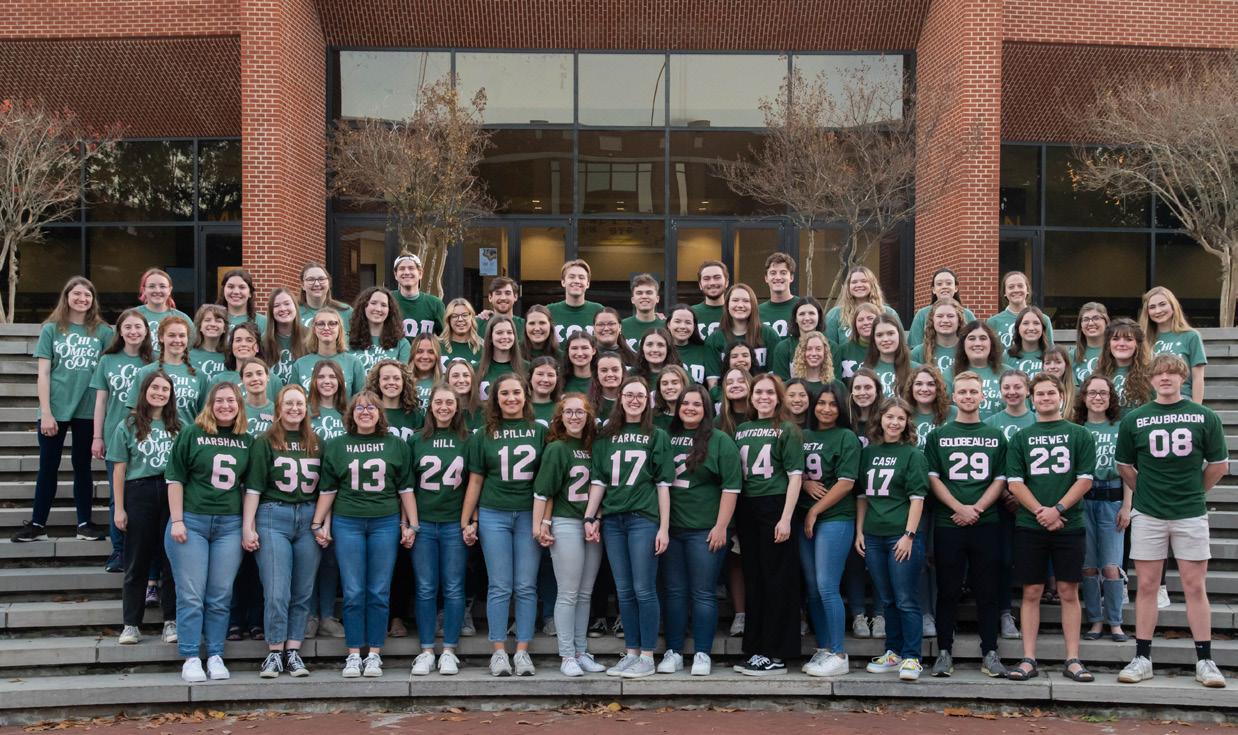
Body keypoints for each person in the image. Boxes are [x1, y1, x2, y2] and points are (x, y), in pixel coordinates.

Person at [1115, 354, 1227, 688]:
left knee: (1195, 586)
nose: (1165, 378)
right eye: (1159, 373)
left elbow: (1219, 465)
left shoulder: (1204, 416)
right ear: (1150, 379)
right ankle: (1142, 657)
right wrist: (1146, 492)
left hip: (1189, 512)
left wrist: (1194, 492)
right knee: (1147, 586)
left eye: (1172, 373)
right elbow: (1125, 466)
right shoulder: (1135, 419)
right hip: (1149, 513)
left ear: (1183, 378)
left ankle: (1205, 660)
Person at [312, 391, 417, 678]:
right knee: (354, 590)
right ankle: (353, 653)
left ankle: (374, 654)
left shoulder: (396, 445)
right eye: (359, 408)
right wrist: (318, 522)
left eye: (371, 407)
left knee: (379, 590)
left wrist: (412, 524)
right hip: (348, 522)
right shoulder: (337, 445)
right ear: (351, 414)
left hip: (385, 521)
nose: (366, 412)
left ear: (380, 413)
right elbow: (329, 489)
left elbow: (406, 489)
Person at [1004, 373, 1096, 683]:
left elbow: (1085, 479)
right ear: (1032, 399)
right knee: (1031, 591)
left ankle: (1073, 659)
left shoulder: (1079, 434)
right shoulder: (1021, 437)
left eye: (1050, 393)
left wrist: (1057, 510)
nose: (1045, 398)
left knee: (1068, 590)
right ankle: (1029, 658)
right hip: (1030, 525)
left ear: (1061, 396)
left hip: (1069, 523)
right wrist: (1040, 512)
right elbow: (1015, 482)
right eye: (1040, 394)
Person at [583, 376, 675, 679]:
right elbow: (599, 482)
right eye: (629, 395)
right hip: (613, 520)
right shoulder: (605, 436)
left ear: (647, 401)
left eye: (640, 396)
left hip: (642, 519)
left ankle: (647, 655)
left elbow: (663, 485)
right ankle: (632, 651)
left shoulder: (656, 435)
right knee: (623, 590)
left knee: (643, 588)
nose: (634, 400)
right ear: (620, 399)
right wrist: (590, 516)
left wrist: (664, 527)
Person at [13, 277, 115, 544]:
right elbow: (44, 373)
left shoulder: (103, 332)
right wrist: (46, 412)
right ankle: (38, 524)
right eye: (77, 294)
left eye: (87, 295)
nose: (82, 299)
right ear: (67, 297)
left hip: (87, 408)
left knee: (82, 466)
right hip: (55, 408)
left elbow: (109, 370)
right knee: (48, 466)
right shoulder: (52, 329)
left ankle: (84, 524)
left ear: (93, 300)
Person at [924, 371, 1009, 679]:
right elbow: (933, 478)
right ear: (953, 396)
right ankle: (944, 651)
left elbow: (1000, 478)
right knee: (947, 589)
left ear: (982, 396)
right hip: (949, 522)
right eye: (963, 392)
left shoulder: (995, 435)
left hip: (986, 522)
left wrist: (977, 508)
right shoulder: (938, 435)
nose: (968, 396)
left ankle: (990, 651)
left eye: (974, 391)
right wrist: (959, 508)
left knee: (987, 590)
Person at [164, 382, 252, 682]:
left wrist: (247, 526)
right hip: (192, 521)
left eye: (231, 401)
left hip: (229, 525)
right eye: (219, 400)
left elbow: (249, 487)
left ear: (239, 405)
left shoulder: (247, 440)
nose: (225, 405)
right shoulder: (192, 433)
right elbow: (174, 478)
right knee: (191, 594)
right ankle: (191, 656)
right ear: (210, 404)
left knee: (220, 594)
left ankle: (215, 654)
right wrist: (177, 520)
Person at [461, 374, 546, 677]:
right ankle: (498, 651)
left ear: (526, 395)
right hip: (493, 514)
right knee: (499, 585)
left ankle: (522, 651)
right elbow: (475, 481)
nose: (511, 398)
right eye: (504, 393)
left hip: (528, 514)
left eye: (516, 393)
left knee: (525, 585)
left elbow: (547, 481)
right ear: (495, 399)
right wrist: (467, 519)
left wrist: (544, 519)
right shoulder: (484, 434)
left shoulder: (540, 431)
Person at [659, 384, 742, 676]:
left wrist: (721, 526)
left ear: (706, 408)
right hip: (672, 528)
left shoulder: (719, 440)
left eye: (697, 404)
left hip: (705, 529)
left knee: (703, 592)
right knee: (674, 592)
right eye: (685, 403)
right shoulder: (665, 436)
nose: (690, 408)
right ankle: (673, 651)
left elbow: (731, 486)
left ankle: (702, 653)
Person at [244, 384, 323, 678]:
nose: (294, 408)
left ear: (306, 408)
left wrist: (322, 522)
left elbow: (327, 489)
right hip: (273, 515)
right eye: (288, 403)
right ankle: (275, 651)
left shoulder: (317, 442)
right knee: (277, 590)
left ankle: (293, 651)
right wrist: (248, 526)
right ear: (278, 408)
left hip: (309, 516)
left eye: (299, 403)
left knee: (302, 591)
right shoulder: (265, 442)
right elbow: (253, 488)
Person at [732, 374, 805, 676]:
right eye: (758, 392)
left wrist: (786, 517)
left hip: (775, 505)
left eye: (769, 393)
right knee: (755, 579)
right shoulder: (742, 430)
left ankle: (776, 653)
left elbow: (795, 476)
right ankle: (756, 648)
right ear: (751, 397)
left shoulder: (787, 429)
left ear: (779, 398)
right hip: (748, 507)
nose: (763, 397)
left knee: (777, 580)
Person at [532, 393, 608, 677]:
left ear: (589, 416)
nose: (574, 417)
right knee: (568, 593)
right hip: (566, 522)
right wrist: (539, 524)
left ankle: (580, 651)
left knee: (585, 593)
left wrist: (597, 518)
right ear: (560, 417)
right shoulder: (556, 448)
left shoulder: (595, 447)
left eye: (580, 412)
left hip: (591, 523)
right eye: (569, 412)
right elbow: (543, 491)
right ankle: (566, 655)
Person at [856, 398, 929, 682]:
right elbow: (862, 497)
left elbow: (917, 499)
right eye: (890, 417)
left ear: (907, 422)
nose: (894, 422)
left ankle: (912, 656)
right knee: (886, 599)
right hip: (874, 536)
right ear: (880, 420)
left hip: (901, 536)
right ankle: (893, 652)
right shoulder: (868, 453)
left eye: (900, 418)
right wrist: (860, 531)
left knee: (905, 599)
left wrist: (909, 535)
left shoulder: (913, 455)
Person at [109, 370, 179, 645]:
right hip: (139, 491)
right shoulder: (127, 424)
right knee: (136, 560)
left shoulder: (178, 426)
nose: (159, 393)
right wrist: (119, 508)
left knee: (171, 560)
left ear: (171, 395)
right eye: (155, 388)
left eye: (165, 389)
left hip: (171, 492)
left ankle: (170, 621)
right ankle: (131, 624)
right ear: (144, 391)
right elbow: (119, 469)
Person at [409, 383, 471, 676]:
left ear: (457, 407)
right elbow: (405, 486)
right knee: (425, 587)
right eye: (439, 402)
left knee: (454, 587)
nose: (444, 407)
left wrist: (471, 521)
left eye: (449, 402)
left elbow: (475, 483)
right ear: (430, 406)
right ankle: (426, 650)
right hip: (423, 523)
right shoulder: (416, 440)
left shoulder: (467, 440)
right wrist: (408, 523)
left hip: (453, 523)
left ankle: (449, 650)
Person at [800, 383, 861, 678]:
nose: (826, 408)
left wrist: (815, 509)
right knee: (813, 587)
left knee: (826, 584)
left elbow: (846, 483)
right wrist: (804, 483)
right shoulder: (802, 435)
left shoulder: (847, 437)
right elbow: (791, 470)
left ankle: (839, 652)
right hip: (804, 518)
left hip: (835, 517)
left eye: (833, 404)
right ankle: (824, 648)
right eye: (821, 403)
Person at [90, 308, 153, 570]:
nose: (133, 331)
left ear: (146, 331)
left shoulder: (154, 361)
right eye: (128, 327)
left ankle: (144, 554)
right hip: (115, 435)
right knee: (118, 496)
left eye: (138, 327)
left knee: (143, 500)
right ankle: (119, 551)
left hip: (147, 438)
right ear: (120, 331)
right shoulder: (107, 360)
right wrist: (97, 436)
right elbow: (100, 401)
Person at [1074, 374, 1129, 644]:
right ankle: (1095, 620)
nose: (1098, 397)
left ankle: (1115, 622)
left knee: (1110, 566)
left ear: (1111, 397)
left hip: (1112, 500)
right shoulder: (1076, 429)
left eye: (1103, 393)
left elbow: (1128, 469)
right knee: (1088, 566)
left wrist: (1127, 506)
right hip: (1083, 501)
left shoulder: (1120, 428)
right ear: (1084, 397)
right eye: (1092, 393)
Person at [1140, 286, 1207, 404]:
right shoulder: (1143, 339)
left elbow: (1198, 377)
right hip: (1151, 402)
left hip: (1182, 399)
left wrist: (1196, 409)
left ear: (1173, 306)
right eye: (1152, 307)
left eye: (1162, 304)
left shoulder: (1191, 336)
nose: (1158, 311)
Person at [705, 284, 780, 374]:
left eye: (746, 301)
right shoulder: (714, 339)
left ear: (753, 305)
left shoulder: (769, 334)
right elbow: (713, 380)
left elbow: (774, 377)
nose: (740, 305)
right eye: (735, 300)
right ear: (727, 305)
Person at [290, 308, 366, 396]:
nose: (326, 328)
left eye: (332, 323)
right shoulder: (300, 364)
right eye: (321, 324)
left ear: (339, 329)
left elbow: (361, 399)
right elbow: (293, 398)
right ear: (314, 329)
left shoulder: (354, 363)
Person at [825, 266, 902, 345]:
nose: (859, 285)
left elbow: (901, 344)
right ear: (848, 286)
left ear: (872, 285)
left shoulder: (888, 313)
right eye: (854, 282)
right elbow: (829, 346)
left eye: (864, 281)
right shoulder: (835, 315)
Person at [346, 286, 410, 375]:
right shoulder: (346, 340)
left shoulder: (402, 344)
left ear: (390, 310)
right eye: (373, 303)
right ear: (364, 306)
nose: (378, 309)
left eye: (383, 305)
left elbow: (404, 377)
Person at [907, 268, 978, 349]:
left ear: (956, 288)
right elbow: (914, 347)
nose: (944, 287)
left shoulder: (968, 315)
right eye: (939, 284)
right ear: (933, 289)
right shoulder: (922, 315)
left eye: (949, 283)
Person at [211, 322, 282, 401]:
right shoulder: (219, 380)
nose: (243, 344)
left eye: (249, 340)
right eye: (238, 340)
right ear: (232, 346)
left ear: (257, 347)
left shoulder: (274, 381)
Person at [1098, 317, 1153, 417]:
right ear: (1108, 344)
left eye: (1129, 339)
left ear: (1137, 344)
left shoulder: (1151, 374)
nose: (1121, 344)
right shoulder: (1098, 375)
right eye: (1115, 339)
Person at [986, 271, 1053, 350]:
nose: (1016, 290)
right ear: (1005, 292)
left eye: (1020, 286)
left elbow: (1050, 351)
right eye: (1011, 287)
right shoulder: (992, 322)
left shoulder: (1043, 319)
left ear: (1027, 290)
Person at [953, 320, 1004, 420]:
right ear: (963, 344)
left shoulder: (1006, 373)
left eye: (983, 338)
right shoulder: (949, 373)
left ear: (991, 343)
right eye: (971, 338)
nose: (977, 343)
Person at [135, 268, 193, 355]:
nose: (157, 290)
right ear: (144, 290)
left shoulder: (182, 318)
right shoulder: (132, 316)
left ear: (169, 290)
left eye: (162, 286)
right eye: (151, 286)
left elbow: (192, 349)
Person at [547, 260, 605, 342]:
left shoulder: (599, 310)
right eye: (571, 277)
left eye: (581, 277)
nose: (577, 281)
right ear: (563, 282)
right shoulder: (549, 311)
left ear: (588, 284)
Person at [392, 252, 446, 338]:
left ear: (420, 273)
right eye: (402, 269)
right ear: (395, 275)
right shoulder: (387, 300)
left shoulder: (435, 304)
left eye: (411, 268)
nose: (406, 272)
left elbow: (446, 338)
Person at [262, 288, 307, 388]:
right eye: (276, 305)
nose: (282, 308)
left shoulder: (309, 337)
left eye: (287, 304)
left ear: (295, 307)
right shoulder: (263, 342)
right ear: (271, 311)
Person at [368, 359, 423, 441]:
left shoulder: (415, 416)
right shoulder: (369, 413)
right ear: (378, 383)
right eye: (385, 378)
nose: (391, 382)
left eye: (396, 378)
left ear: (404, 382)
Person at [772, 297, 825, 380]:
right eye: (802, 314)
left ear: (819, 317)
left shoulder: (831, 346)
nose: (807, 318)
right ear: (795, 319)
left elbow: (834, 382)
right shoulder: (783, 348)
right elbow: (781, 383)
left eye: (811, 313)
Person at [910, 297, 964, 377]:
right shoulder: (918, 353)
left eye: (950, 316)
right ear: (932, 320)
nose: (945, 320)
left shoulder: (967, 351)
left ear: (959, 320)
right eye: (939, 316)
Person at [905, 365, 955, 450]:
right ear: (911, 388)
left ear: (938, 388)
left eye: (931, 384)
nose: (924, 389)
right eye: (918, 384)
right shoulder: (904, 414)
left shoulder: (954, 413)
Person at [864, 315, 916, 398]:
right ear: (874, 339)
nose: (885, 339)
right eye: (879, 335)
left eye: (890, 333)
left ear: (899, 335)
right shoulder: (865, 372)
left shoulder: (916, 370)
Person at [477, 315, 526, 401]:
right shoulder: (476, 369)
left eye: (509, 332)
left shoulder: (526, 368)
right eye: (499, 333)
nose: (505, 336)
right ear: (490, 337)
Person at [298, 263, 353, 331]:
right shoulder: (294, 312)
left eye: (321, 279)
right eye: (311, 279)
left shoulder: (346, 312)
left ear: (329, 283)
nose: (317, 284)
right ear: (302, 285)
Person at [834, 303, 881, 382]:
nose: (865, 323)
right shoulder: (842, 351)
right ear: (855, 325)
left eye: (870, 318)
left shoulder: (885, 350)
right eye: (860, 320)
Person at [984, 369, 1035, 440]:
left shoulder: (1038, 421)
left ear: (1028, 390)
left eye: (1017, 387)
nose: (1012, 392)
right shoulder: (989, 424)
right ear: (1000, 391)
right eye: (1006, 388)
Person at [760, 253, 798, 338]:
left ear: (791, 277)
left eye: (783, 273)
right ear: (766, 278)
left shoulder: (802, 307)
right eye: (773, 273)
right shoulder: (757, 312)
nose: (778, 277)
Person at [622, 273, 665, 349]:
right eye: (639, 293)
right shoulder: (621, 327)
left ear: (657, 298)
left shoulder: (667, 327)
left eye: (649, 293)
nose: (644, 296)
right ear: (632, 300)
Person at [308, 361, 348, 442]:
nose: (327, 381)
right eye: (321, 377)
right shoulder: (305, 411)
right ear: (314, 381)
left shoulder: (350, 413)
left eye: (332, 377)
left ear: (339, 381)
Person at [218, 268, 267, 333]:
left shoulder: (263, 322)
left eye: (242, 287)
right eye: (231, 287)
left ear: (250, 293)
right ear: (223, 291)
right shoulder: (213, 320)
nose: (236, 292)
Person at [1004, 306, 1049, 376]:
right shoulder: (1006, 357)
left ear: (1043, 328)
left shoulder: (1050, 356)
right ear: (1018, 328)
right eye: (1025, 323)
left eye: (1036, 323)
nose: (1031, 328)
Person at [189, 304, 228, 383]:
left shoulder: (231, 357)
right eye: (207, 320)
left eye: (218, 321)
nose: (212, 324)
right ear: (200, 326)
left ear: (224, 328)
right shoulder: (188, 356)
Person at [1072, 302, 1109, 386]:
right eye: (1086, 319)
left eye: (1096, 318)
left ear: (1106, 322)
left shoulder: (1116, 353)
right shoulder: (1072, 355)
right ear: (1080, 325)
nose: (1091, 323)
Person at [440, 298, 484, 368]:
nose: (460, 319)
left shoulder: (483, 347)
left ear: (471, 317)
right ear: (448, 319)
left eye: (465, 315)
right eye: (454, 316)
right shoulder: (437, 346)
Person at [692, 261, 729, 340]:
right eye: (706, 279)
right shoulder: (691, 313)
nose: (712, 283)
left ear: (726, 282)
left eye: (717, 277)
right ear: (700, 285)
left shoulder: (737, 312)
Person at [239, 358, 276, 434]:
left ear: (268, 377)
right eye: (248, 375)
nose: (255, 379)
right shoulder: (237, 410)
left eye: (259, 374)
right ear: (242, 380)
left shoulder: (278, 411)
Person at [445, 359, 484, 432]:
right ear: (448, 381)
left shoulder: (485, 413)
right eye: (455, 376)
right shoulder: (442, 413)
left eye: (466, 375)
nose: (461, 380)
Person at [716, 367, 754, 437]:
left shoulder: (761, 416)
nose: (735, 385)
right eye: (729, 383)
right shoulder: (717, 422)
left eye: (741, 381)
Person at [588, 352, 626, 421]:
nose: (610, 374)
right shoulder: (586, 404)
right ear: (597, 374)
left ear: (622, 372)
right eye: (604, 370)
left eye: (615, 370)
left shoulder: (632, 402)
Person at [847, 368, 881, 443]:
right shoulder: (844, 420)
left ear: (877, 391)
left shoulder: (885, 421)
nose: (862, 392)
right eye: (857, 388)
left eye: (868, 387)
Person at [1042, 346, 1077, 420]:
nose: (1052, 366)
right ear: (1043, 366)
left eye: (1058, 362)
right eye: (1047, 363)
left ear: (1066, 364)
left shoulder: (1077, 393)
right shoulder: (1036, 392)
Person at [410, 333, 442, 407]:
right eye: (419, 351)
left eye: (431, 352)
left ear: (437, 356)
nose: (425, 356)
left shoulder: (444, 382)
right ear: (413, 355)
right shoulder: (403, 382)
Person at [529, 356, 561, 426]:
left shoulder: (562, 408)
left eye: (550, 375)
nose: (545, 380)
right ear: (530, 377)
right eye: (540, 374)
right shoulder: (520, 408)